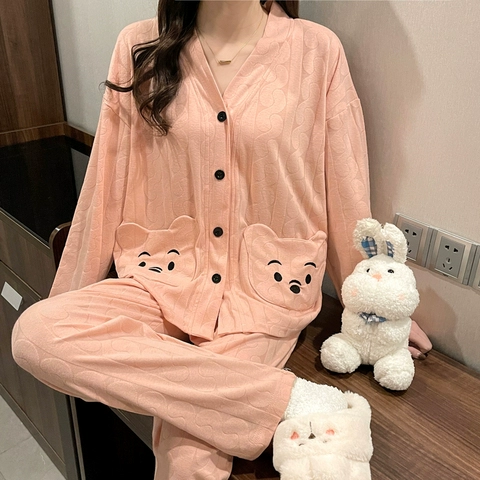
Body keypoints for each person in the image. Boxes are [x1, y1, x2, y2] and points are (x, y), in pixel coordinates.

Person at [11, 0, 431, 478]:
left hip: (264, 294)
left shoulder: (318, 52)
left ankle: (258, 399)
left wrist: (376, 311)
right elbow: (103, 186)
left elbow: (345, 188)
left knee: (188, 458)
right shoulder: (139, 46)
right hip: (162, 281)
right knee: (37, 335)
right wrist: (76, 314)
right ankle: (294, 399)